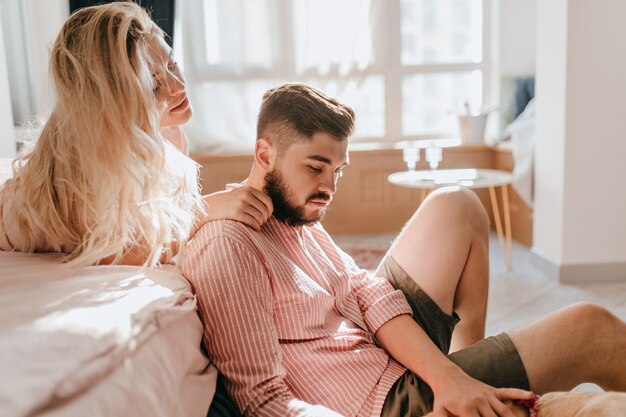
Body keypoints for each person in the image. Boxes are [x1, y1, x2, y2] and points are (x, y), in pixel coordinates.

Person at [181, 83, 626, 417]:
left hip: (392, 358)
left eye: (338, 170)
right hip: (382, 402)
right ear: (264, 154)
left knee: (456, 202)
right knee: (591, 328)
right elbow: (263, 402)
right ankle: (467, 384)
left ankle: (464, 372)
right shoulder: (228, 245)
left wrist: (448, 375)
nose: (329, 187)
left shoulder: (295, 217)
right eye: (316, 167)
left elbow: (363, 290)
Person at [0, 2, 272, 267]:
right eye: (154, 87)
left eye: (173, 64)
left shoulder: (170, 133)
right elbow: (123, 251)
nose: (178, 87)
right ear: (114, 108)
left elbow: (165, 212)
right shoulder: (87, 171)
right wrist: (204, 211)